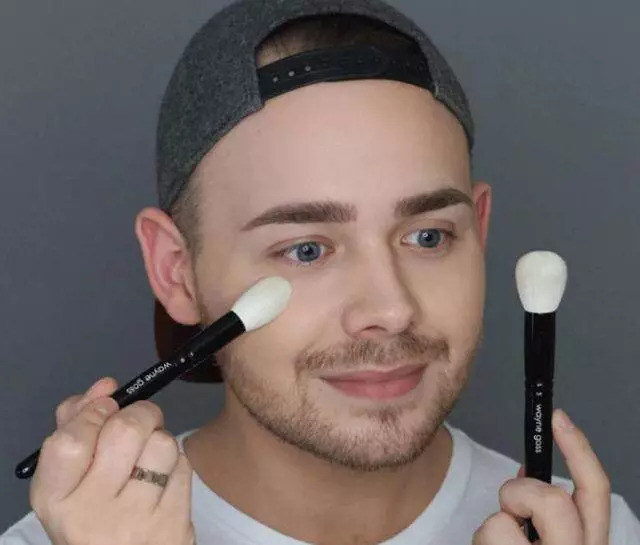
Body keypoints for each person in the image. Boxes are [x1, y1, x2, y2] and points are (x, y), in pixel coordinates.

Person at [2, 0, 639, 544]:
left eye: (428, 236)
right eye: (306, 249)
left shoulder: (592, 532)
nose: (390, 309)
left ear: (479, 232)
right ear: (177, 271)